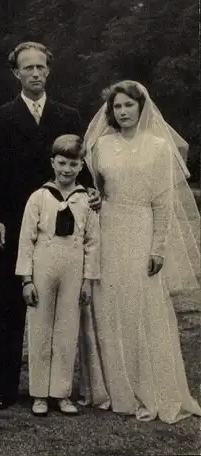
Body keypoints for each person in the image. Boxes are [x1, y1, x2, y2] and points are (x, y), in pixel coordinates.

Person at [0, 41, 101, 410]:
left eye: (40, 67)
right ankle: (3, 386)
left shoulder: (68, 115)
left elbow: (83, 164)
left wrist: (91, 191)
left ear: (48, 70)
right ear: (16, 73)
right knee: (12, 302)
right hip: (15, 222)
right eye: (27, 68)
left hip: (60, 226)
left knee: (61, 307)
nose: (34, 73)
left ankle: (55, 387)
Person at [79, 80, 201, 423]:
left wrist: (158, 247)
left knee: (144, 305)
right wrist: (95, 200)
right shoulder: (101, 146)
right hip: (109, 229)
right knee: (109, 305)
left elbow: (163, 203)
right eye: (117, 107)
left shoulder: (159, 148)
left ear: (141, 107)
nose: (122, 112)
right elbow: (98, 192)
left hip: (142, 228)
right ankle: (115, 390)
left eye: (128, 106)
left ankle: (152, 387)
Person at [15, 135, 100, 417]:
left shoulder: (86, 200)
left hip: (73, 268)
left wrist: (87, 280)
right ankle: (39, 393)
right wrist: (26, 280)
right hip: (43, 267)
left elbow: (92, 242)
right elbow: (26, 240)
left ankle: (61, 393)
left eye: (73, 163)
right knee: (40, 328)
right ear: (52, 162)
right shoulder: (38, 197)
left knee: (67, 329)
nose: (66, 169)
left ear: (81, 165)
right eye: (61, 162)